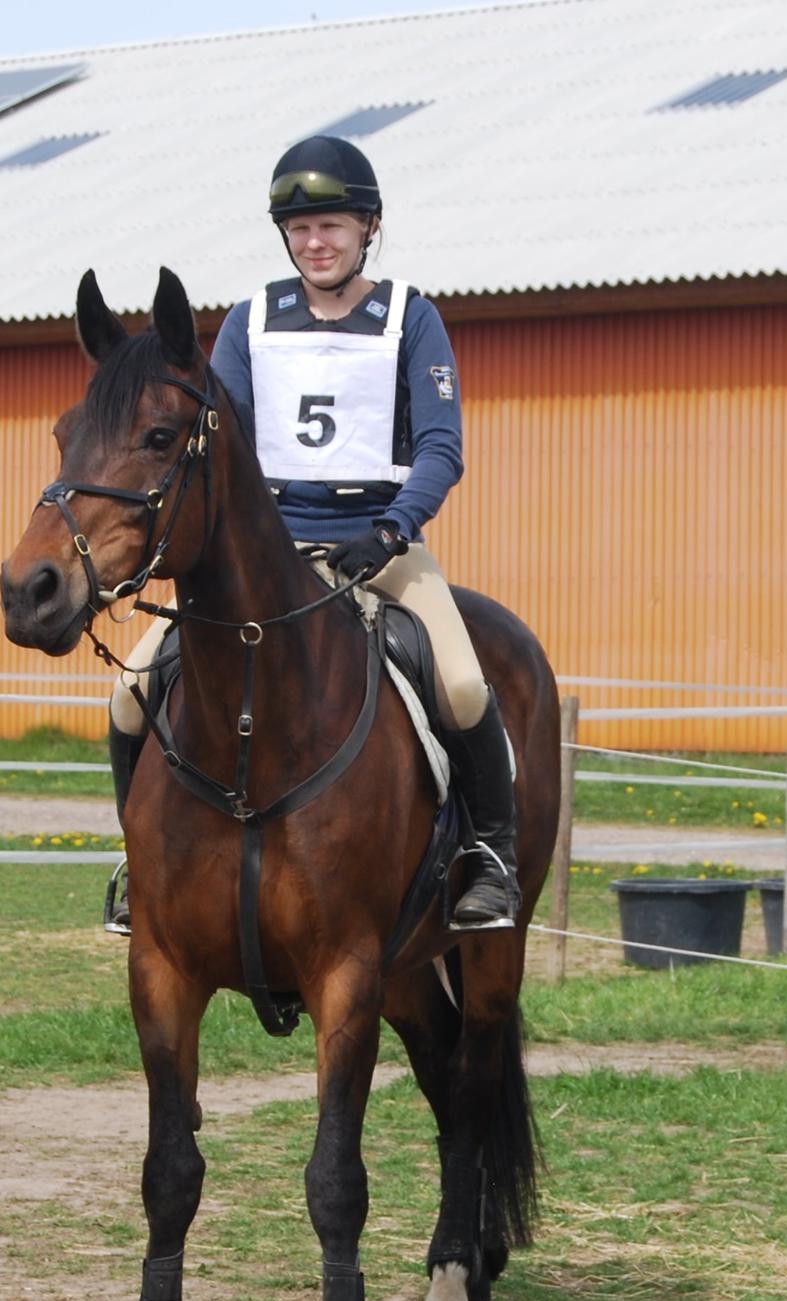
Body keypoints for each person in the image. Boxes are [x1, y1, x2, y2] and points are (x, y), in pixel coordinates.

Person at [107, 135, 520, 933]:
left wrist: (394, 528)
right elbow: (217, 445)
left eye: (331, 226)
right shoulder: (251, 322)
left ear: (368, 228)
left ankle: (490, 860)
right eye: (299, 230)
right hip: (272, 552)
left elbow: (442, 447)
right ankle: (140, 861)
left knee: (465, 685)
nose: (315, 243)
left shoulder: (411, 317)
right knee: (130, 692)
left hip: (381, 547)